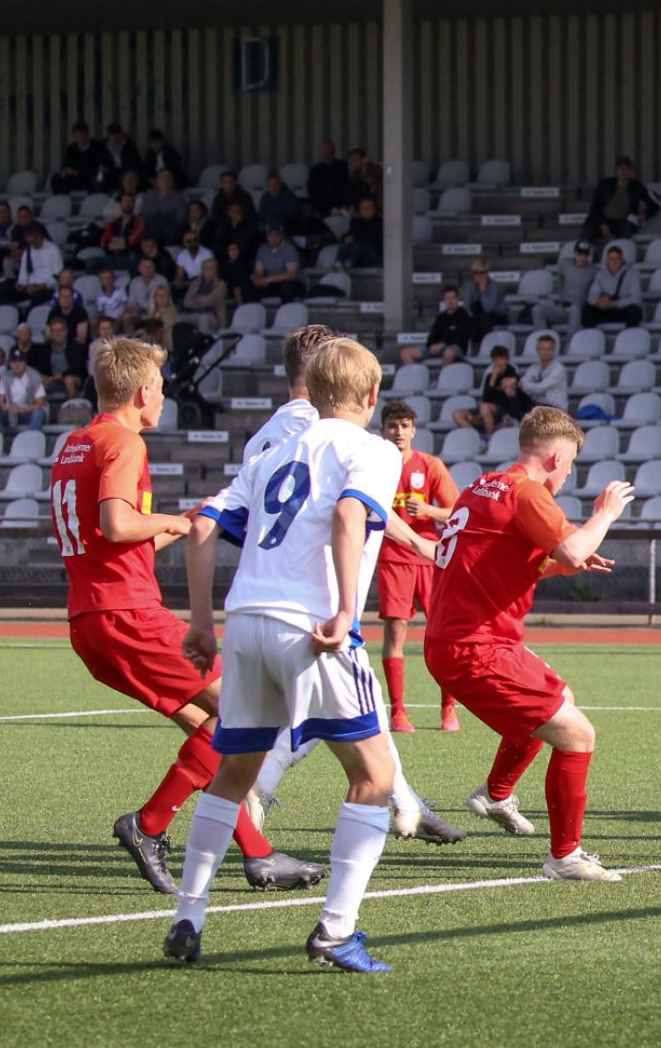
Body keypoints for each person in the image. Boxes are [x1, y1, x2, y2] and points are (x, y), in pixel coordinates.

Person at [53, 338, 324, 900]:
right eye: (161, 385)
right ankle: (148, 825)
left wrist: (171, 527)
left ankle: (258, 854)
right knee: (252, 715)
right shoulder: (124, 442)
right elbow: (117, 525)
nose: (164, 396)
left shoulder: (75, 443)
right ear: (142, 391)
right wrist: (176, 522)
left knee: (220, 731)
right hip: (128, 614)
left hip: (90, 617)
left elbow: (106, 539)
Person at [166, 339, 405, 971]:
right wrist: (350, 612)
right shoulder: (374, 449)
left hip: (245, 619)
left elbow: (198, 528)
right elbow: (350, 515)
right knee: (374, 777)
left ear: (310, 391)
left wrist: (199, 623)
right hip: (311, 626)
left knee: (233, 776)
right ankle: (335, 931)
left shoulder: (272, 449)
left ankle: (189, 914)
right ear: (372, 396)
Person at [190, 327, 461, 847]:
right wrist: (415, 548)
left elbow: (213, 522)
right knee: (333, 733)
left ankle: (193, 902)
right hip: (318, 606)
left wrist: (203, 618)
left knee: (339, 719)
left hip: (255, 604)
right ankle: (337, 912)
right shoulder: (327, 430)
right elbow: (348, 509)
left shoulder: (266, 437)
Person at [425, 406, 635, 882]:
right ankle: (565, 857)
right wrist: (605, 514)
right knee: (577, 734)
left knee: (560, 701)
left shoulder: (482, 486)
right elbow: (574, 546)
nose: (568, 475)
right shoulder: (528, 494)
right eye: (571, 464)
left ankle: (496, 793)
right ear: (558, 456)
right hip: (476, 647)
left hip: (458, 640)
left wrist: (566, 561)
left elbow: (510, 559)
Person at [375, 401, 462, 734]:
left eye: (405, 426)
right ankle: (398, 711)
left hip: (429, 557)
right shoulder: (375, 465)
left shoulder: (429, 465)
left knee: (444, 631)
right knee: (395, 632)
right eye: (393, 426)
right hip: (392, 558)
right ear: (383, 430)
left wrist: (427, 510)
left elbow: (456, 510)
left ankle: (448, 708)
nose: (399, 432)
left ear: (414, 430)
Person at [455, 345, 528, 434]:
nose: (498, 362)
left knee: (485, 408)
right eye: (496, 359)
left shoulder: (512, 375)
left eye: (501, 359)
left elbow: (511, 399)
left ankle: (489, 437)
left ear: (506, 360)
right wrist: (493, 379)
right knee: (457, 414)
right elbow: (486, 397)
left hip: (503, 409)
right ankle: (474, 436)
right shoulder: (489, 376)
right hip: (487, 407)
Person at [582, 157, 659, 241]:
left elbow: (654, 203)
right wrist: (602, 223)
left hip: (624, 221)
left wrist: (645, 214)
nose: (623, 171)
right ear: (616, 170)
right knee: (588, 232)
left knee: (625, 233)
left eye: (626, 169)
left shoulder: (637, 186)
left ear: (631, 171)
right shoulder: (605, 184)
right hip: (603, 219)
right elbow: (595, 206)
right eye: (620, 168)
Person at [535, 242, 599, 327]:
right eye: (580, 254)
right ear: (575, 253)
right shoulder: (565, 264)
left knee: (574, 309)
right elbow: (560, 282)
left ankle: (571, 340)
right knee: (537, 309)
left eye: (585, 255)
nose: (583, 257)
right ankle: (543, 337)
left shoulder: (594, 270)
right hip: (564, 307)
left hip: (580, 309)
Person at [579, 245, 642, 328]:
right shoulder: (600, 274)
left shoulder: (633, 274)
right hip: (605, 309)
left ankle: (628, 338)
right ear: (607, 260)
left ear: (622, 259)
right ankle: (592, 337)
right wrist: (599, 301)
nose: (614, 262)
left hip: (621, 310)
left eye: (617, 258)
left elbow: (636, 298)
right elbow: (592, 295)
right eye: (611, 259)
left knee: (634, 311)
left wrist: (614, 303)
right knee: (586, 309)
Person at [31, 314, 88, 402]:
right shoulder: (46, 348)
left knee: (68, 380)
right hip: (52, 381)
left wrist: (58, 377)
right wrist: (44, 378)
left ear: (66, 331)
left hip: (73, 379)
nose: (57, 333)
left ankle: (71, 408)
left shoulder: (75, 346)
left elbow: (77, 368)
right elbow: (41, 368)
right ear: (50, 333)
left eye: (60, 330)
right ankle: (39, 412)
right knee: (36, 382)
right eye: (54, 330)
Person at [422, 286, 481, 365]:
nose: (450, 301)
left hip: (456, 349)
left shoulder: (464, 315)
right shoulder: (441, 317)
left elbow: (461, 338)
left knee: (448, 352)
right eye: (447, 298)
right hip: (439, 348)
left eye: (453, 298)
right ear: (444, 300)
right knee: (406, 353)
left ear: (458, 299)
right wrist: (431, 346)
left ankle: (441, 376)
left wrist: (443, 345)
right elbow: (432, 336)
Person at [0, 349, 45, 432]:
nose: (17, 365)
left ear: (25, 363)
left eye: (20, 361)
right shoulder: (5, 377)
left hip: (28, 411)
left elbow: (40, 403)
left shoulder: (35, 377)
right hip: (10, 411)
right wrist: (6, 407)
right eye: (14, 362)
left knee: (38, 413)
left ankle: (30, 440)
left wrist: (23, 409)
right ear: (9, 364)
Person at [250, 226, 303, 304]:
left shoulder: (289, 248)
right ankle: (252, 313)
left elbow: (291, 275)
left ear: (281, 235)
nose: (273, 238)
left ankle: (287, 314)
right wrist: (258, 280)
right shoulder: (263, 249)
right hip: (271, 284)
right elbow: (258, 271)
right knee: (249, 286)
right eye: (270, 235)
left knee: (286, 286)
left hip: (292, 284)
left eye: (276, 235)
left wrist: (267, 280)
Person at [519, 333, 570, 411]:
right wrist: (521, 384)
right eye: (542, 349)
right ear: (537, 350)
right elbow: (523, 381)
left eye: (549, 349)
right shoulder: (534, 367)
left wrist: (523, 385)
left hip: (556, 407)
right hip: (538, 405)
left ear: (553, 350)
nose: (546, 352)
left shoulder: (559, 368)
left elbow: (541, 387)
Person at [18, 224, 64, 306]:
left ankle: (29, 315)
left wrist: (41, 286)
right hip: (30, 287)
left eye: (33, 241)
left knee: (38, 296)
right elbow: (23, 274)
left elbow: (58, 276)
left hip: (46, 288)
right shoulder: (27, 252)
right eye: (29, 243)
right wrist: (21, 284)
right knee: (3, 291)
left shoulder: (53, 249)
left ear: (40, 236)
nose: (32, 245)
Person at [53, 122, 105, 193]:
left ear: (87, 135)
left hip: (89, 177)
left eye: (83, 135)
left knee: (95, 181)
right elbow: (65, 164)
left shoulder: (96, 147)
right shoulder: (72, 148)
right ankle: (62, 200)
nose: (80, 138)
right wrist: (65, 171)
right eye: (77, 136)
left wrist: (77, 171)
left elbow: (97, 166)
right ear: (74, 136)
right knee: (56, 178)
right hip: (74, 178)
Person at [180, 258, 230, 330]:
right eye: (206, 268)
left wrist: (195, 299)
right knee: (178, 317)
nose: (209, 270)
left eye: (211, 268)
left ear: (216, 270)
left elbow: (209, 300)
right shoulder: (195, 283)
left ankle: (203, 340)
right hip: (193, 314)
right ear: (202, 270)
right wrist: (200, 301)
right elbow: (186, 302)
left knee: (203, 318)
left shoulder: (221, 284)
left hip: (213, 316)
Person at [462, 260, 511, 328]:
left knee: (484, 319)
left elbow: (488, 308)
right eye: (476, 272)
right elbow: (466, 306)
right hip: (480, 316)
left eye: (481, 272)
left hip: (498, 315)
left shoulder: (494, 286)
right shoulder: (471, 286)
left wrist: (483, 290)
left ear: (487, 273)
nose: (478, 275)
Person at [308, 139, 352, 214]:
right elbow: (311, 187)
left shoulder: (342, 166)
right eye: (324, 149)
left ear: (333, 151)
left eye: (329, 149)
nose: (326, 152)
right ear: (321, 151)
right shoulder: (316, 169)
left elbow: (346, 185)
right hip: (321, 204)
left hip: (339, 203)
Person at [340, 197, 383, 269]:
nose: (365, 210)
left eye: (368, 207)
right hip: (358, 255)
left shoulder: (379, 222)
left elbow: (372, 238)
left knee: (358, 244)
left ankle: (349, 263)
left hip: (374, 255)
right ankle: (338, 263)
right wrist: (346, 238)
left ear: (374, 208)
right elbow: (349, 234)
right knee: (346, 244)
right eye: (362, 208)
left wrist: (355, 238)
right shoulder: (357, 222)